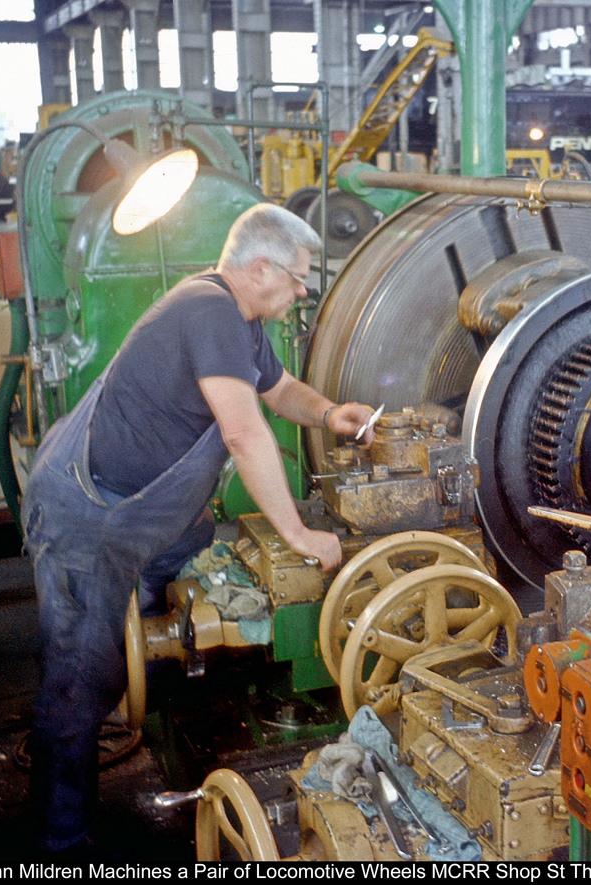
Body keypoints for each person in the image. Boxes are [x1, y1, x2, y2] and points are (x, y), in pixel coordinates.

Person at [21, 203, 376, 854]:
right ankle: (60, 841)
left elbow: (279, 390)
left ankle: (148, 680)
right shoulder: (209, 310)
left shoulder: (238, 319)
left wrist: (330, 414)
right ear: (260, 266)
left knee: (168, 585)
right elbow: (245, 431)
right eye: (298, 277)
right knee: (79, 681)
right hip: (87, 513)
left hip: (142, 511)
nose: (302, 291)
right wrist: (298, 535)